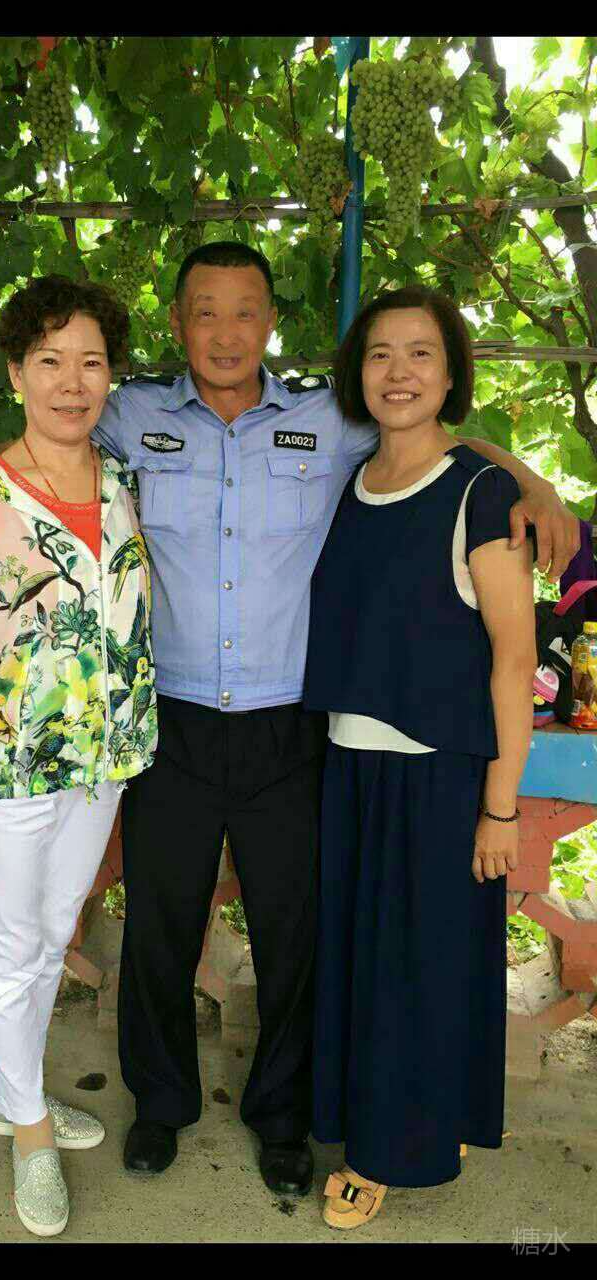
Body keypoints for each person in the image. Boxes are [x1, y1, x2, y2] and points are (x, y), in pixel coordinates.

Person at [0, 243, 579, 1198]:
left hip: (288, 727)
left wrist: (531, 481)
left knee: (293, 932)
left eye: (245, 311)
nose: (226, 332)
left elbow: (430, 432)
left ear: (270, 322)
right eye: (205, 312)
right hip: (169, 724)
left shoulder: (329, 419)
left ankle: (282, 1118)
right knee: (160, 927)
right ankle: (160, 1104)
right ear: (179, 323)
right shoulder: (129, 411)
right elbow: (36, 435)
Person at [0, 275, 157, 1237]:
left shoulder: (122, 479)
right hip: (10, 770)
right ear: (16, 374)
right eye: (50, 360)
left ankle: (12, 1090)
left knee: (54, 932)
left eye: (91, 362)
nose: (72, 381)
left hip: (104, 761)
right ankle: (28, 1132)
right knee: (12, 946)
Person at [302, 286, 536, 1228]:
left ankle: (385, 1155)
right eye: (380, 354)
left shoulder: (480, 493)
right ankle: (409, 1121)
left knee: (415, 971)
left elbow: (514, 659)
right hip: (349, 768)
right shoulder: (352, 480)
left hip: (435, 776)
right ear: (357, 372)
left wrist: (501, 804)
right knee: (364, 965)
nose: (398, 373)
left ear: (451, 373)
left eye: (421, 353)